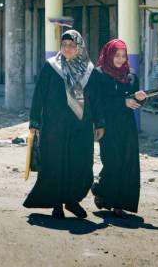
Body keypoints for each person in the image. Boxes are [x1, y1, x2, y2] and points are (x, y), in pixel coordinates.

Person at [23, 30, 105, 219]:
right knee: (55, 164)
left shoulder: (89, 70)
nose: (67, 48)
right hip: (54, 126)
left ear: (79, 47)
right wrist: (34, 121)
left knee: (80, 163)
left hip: (81, 126)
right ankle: (57, 204)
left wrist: (100, 122)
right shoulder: (51, 67)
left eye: (71, 45)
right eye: (64, 45)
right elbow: (39, 96)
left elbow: (96, 100)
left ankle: (72, 201)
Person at [92, 39, 147, 218]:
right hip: (107, 125)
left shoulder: (131, 76)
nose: (120, 59)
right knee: (113, 162)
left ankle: (119, 205)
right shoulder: (99, 74)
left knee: (128, 162)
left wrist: (140, 97)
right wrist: (122, 102)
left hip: (127, 125)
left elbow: (134, 100)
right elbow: (97, 102)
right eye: (117, 55)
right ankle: (100, 190)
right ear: (109, 55)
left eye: (123, 56)